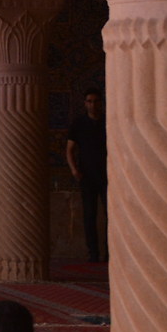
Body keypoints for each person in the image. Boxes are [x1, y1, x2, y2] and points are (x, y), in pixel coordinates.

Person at [64, 89, 106, 262]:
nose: (92, 104)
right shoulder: (79, 124)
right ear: (85, 103)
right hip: (87, 176)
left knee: (111, 215)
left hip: (107, 175)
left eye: (95, 101)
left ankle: (111, 254)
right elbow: (69, 150)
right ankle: (93, 254)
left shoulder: (107, 121)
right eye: (89, 101)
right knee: (90, 215)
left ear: (101, 103)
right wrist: (74, 170)